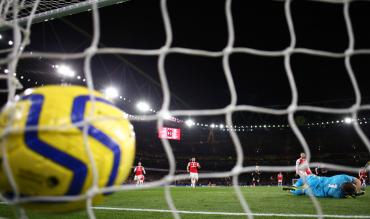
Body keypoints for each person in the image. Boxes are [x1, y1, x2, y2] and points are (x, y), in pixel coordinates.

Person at [284, 174, 364, 198]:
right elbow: (348, 195)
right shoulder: (338, 194)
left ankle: (295, 185)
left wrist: (356, 188)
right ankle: (291, 190)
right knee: (303, 191)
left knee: (304, 178)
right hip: (316, 192)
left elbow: (358, 181)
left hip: (317, 180)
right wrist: (355, 192)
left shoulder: (343, 177)